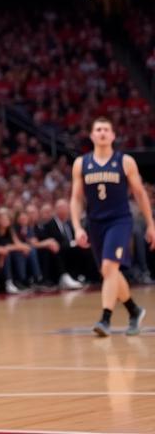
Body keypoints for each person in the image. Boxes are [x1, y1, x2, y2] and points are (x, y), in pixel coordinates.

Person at [71, 116, 155, 336]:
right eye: (97, 129)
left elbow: (139, 193)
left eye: (106, 130)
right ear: (91, 135)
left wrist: (150, 224)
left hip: (119, 221)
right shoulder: (81, 163)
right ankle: (134, 310)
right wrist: (77, 227)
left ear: (113, 135)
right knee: (110, 273)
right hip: (95, 223)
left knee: (109, 268)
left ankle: (105, 319)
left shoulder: (125, 161)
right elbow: (76, 198)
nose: (102, 133)